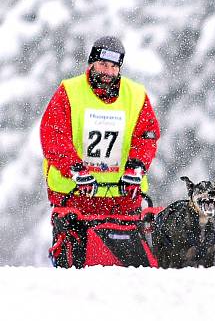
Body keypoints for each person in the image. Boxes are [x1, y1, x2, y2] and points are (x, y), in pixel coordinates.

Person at [40, 36, 160, 266]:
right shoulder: (69, 92)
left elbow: (146, 136)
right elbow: (54, 135)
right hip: (76, 196)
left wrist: (136, 166)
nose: (108, 71)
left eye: (114, 67)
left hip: (124, 198)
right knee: (76, 264)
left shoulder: (135, 95)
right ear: (91, 64)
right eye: (103, 65)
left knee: (136, 270)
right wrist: (74, 169)